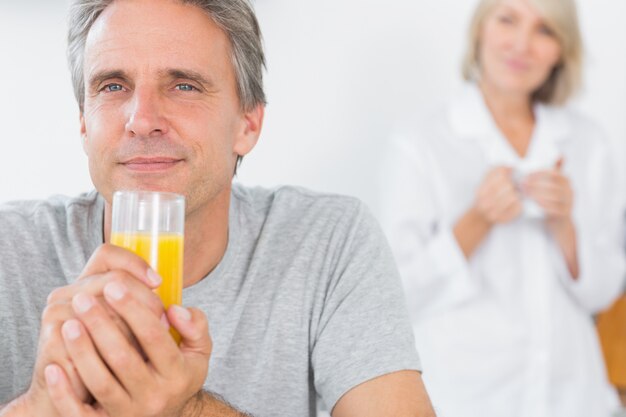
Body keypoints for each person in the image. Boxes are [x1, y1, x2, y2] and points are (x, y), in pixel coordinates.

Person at [0, 0, 436, 416]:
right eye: (113, 85)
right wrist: (38, 408)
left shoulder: (327, 240)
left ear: (248, 124)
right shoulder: (10, 251)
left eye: (183, 85)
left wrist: (185, 408)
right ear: (83, 122)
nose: (142, 118)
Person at [379, 0, 625, 416]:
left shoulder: (588, 143)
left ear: (562, 50)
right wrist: (477, 220)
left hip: (573, 398)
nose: (522, 44)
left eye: (545, 30)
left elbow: (604, 292)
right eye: (508, 19)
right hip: (466, 398)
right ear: (480, 30)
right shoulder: (421, 143)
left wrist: (566, 227)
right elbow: (397, 297)